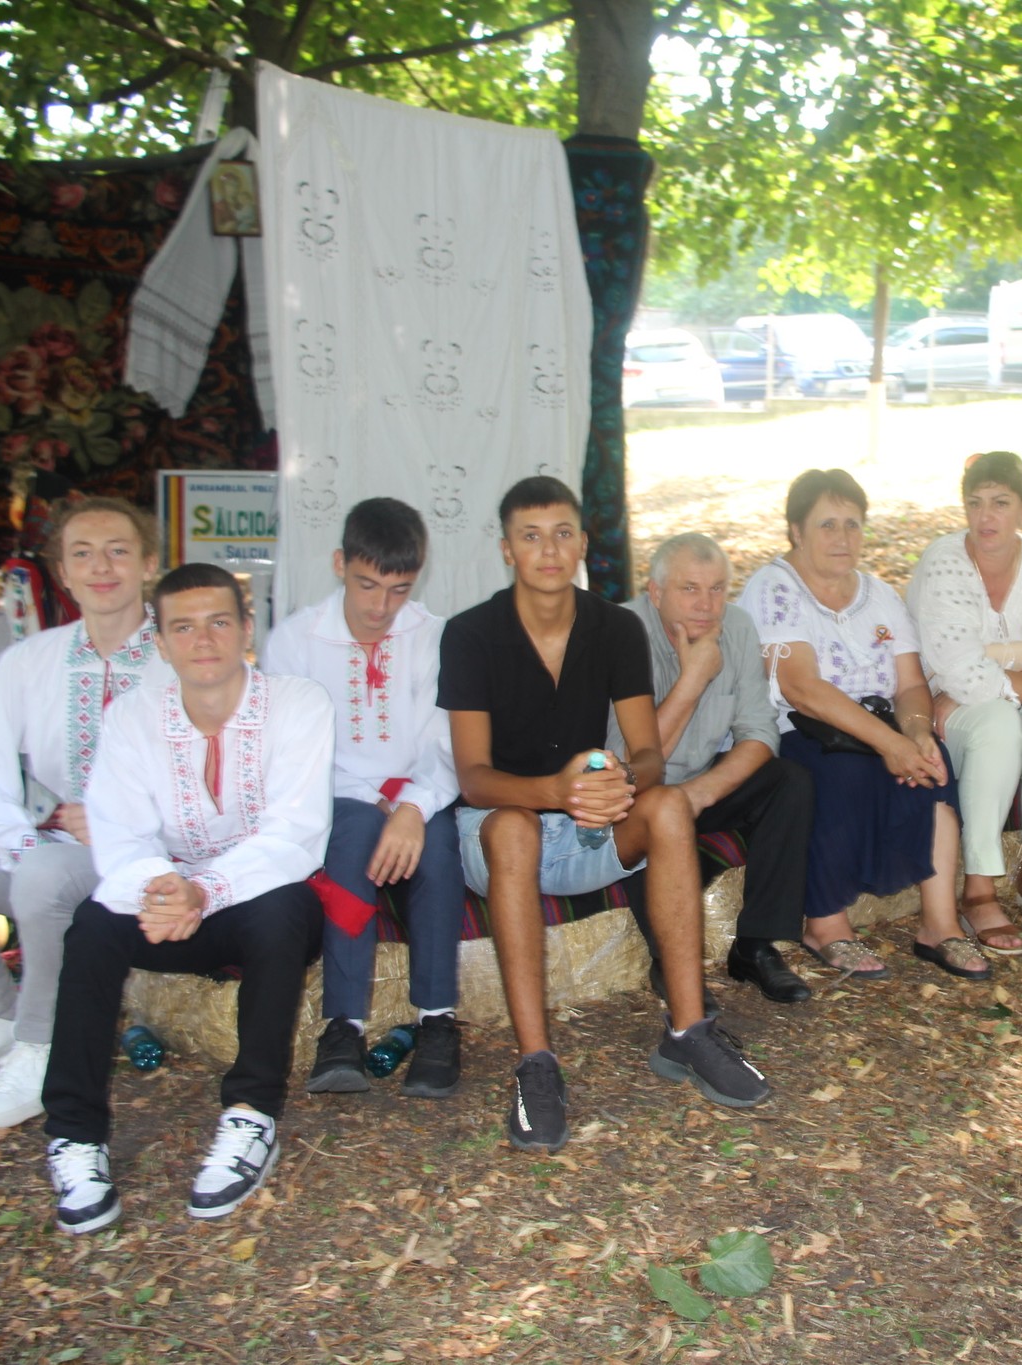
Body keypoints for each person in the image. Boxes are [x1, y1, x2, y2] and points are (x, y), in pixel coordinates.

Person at [441, 477, 771, 1155]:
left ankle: (688, 1029)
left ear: (583, 544)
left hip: (587, 821)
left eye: (562, 533)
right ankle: (536, 1063)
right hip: (498, 829)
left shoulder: (615, 628)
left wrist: (613, 782)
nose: (549, 550)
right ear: (507, 549)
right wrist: (556, 791)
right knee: (513, 827)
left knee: (668, 806)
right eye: (531, 536)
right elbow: (473, 777)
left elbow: (648, 755)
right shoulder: (470, 634)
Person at [41, 563, 331, 1234]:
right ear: (161, 643)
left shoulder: (298, 703)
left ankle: (251, 1116)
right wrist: (164, 888)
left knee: (284, 910)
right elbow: (120, 831)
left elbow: (296, 834)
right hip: (170, 904)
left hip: (256, 901)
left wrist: (206, 888)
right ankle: (75, 1133)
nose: (204, 640)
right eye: (184, 627)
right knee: (91, 926)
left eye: (219, 621)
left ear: (247, 629)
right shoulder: (133, 716)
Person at [0, 497, 172, 1132]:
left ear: (149, 564)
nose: (102, 567)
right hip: (57, 850)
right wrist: (18, 841)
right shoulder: (31, 659)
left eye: (118, 551)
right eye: (82, 554)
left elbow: (220, 774)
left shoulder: (180, 656)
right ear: (62, 573)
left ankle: (43, 1045)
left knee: (43, 878)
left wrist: (124, 822)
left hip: (157, 856)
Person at [738, 468, 990, 983]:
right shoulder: (774, 587)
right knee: (838, 774)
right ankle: (825, 925)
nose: (843, 537)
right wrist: (888, 743)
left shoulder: (878, 595)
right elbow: (801, 688)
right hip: (797, 729)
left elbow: (911, 684)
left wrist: (915, 733)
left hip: (876, 727)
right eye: (827, 524)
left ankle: (939, 925)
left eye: (853, 524)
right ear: (796, 531)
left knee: (934, 764)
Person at [262, 499, 465, 1098]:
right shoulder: (293, 641)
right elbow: (289, 752)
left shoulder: (434, 636)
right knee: (351, 842)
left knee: (439, 848)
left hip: (419, 795)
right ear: (339, 564)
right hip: (333, 797)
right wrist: (367, 803)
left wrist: (412, 806)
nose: (380, 607)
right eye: (366, 584)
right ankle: (343, 1027)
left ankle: (437, 1021)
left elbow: (445, 742)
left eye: (399, 590)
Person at [604, 533, 814, 1004]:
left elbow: (759, 733)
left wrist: (700, 793)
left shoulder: (736, 626)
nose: (706, 604)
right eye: (690, 589)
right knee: (647, 808)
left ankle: (755, 945)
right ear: (656, 592)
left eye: (717, 588)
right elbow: (629, 765)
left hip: (697, 784)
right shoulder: (620, 632)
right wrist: (694, 677)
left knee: (789, 781)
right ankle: (670, 961)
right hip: (634, 793)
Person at [908, 451, 1022, 954]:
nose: (985, 517)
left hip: (977, 695)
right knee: (996, 723)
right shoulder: (944, 560)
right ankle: (979, 887)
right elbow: (962, 674)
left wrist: (993, 665)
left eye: (1000, 503)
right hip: (945, 708)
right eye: (975, 503)